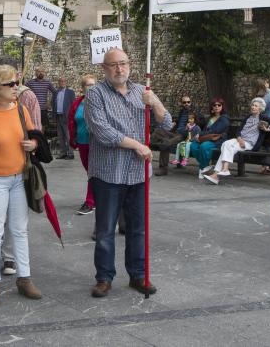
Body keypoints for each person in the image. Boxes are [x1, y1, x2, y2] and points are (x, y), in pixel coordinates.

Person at [85, 48, 172, 297]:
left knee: (138, 228)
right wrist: (137, 145)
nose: (119, 69)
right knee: (105, 231)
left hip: (138, 173)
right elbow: (102, 132)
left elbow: (166, 124)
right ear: (104, 68)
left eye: (123, 64)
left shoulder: (140, 92)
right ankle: (104, 277)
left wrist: (154, 102)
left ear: (129, 65)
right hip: (108, 173)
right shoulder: (95, 93)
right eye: (113, 65)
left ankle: (138, 275)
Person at [0, 64, 43, 307]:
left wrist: (33, 144)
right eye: (10, 84)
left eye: (17, 83)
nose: (16, 88)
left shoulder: (22, 110)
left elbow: (36, 136)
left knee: (19, 229)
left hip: (19, 178)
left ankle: (24, 277)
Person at [202, 98, 270, 185]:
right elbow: (239, 130)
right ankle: (223, 170)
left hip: (249, 144)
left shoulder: (263, 118)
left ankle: (218, 173)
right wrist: (239, 138)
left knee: (229, 147)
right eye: (252, 105)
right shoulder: (248, 117)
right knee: (225, 144)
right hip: (240, 140)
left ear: (260, 108)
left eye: (256, 106)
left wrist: (268, 129)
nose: (253, 107)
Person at [69, 74, 97, 215]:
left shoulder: (100, 102)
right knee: (90, 172)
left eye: (93, 85)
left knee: (93, 172)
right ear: (83, 87)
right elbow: (71, 121)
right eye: (88, 85)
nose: (91, 87)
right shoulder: (77, 103)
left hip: (97, 143)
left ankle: (90, 202)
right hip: (82, 142)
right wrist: (73, 139)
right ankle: (98, 197)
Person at [153, 95, 200, 176]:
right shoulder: (181, 112)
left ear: (190, 103)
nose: (186, 104)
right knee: (158, 131)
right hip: (176, 133)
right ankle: (153, 142)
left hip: (184, 136)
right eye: (184, 102)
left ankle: (163, 169)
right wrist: (174, 123)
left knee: (165, 142)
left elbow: (200, 123)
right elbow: (179, 122)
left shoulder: (194, 113)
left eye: (188, 102)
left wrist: (191, 126)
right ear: (181, 103)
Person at [189, 98, 230, 176]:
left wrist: (200, 134)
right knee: (193, 145)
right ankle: (206, 167)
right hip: (206, 139)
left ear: (222, 107)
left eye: (219, 105)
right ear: (212, 107)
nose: (216, 106)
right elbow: (204, 128)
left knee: (204, 146)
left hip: (217, 140)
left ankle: (202, 168)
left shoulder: (224, 118)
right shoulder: (210, 118)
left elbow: (215, 131)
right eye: (214, 105)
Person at [252, 77, 270, 174]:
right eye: (266, 82)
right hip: (262, 121)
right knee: (263, 143)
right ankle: (265, 165)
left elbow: (261, 107)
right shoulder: (260, 94)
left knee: (269, 143)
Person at [51, 77, 75, 159]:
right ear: (58, 83)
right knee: (60, 136)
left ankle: (71, 153)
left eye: (64, 81)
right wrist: (54, 116)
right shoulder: (56, 93)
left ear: (66, 82)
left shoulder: (70, 92)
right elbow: (53, 104)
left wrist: (72, 116)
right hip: (58, 116)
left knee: (68, 136)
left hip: (67, 117)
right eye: (61, 81)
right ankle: (63, 152)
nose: (62, 82)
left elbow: (73, 105)